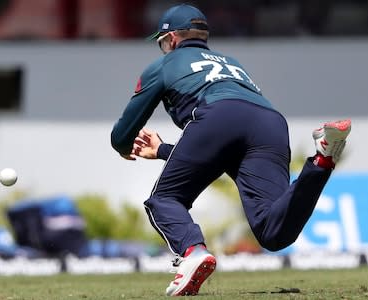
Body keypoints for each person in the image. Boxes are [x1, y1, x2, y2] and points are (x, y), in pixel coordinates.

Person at [111, 4, 351, 297]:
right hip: (270, 122)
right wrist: (162, 149)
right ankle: (321, 161)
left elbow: (123, 132)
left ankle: (193, 253)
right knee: (273, 231)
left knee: (164, 200)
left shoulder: (166, 63)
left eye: (163, 43)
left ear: (172, 38)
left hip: (218, 114)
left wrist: (124, 147)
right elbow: (222, 152)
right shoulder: (231, 62)